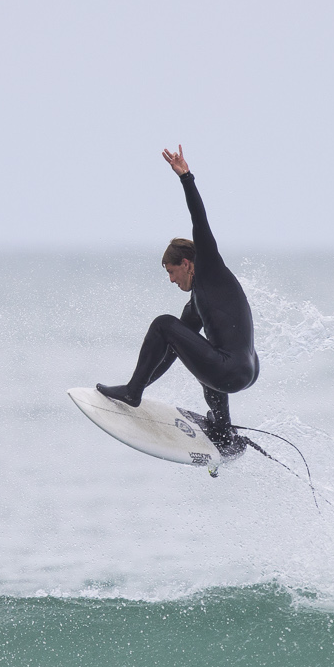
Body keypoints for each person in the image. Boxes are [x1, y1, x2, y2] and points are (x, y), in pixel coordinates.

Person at [97, 146, 259, 452]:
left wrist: (186, 177)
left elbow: (200, 221)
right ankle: (223, 431)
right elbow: (169, 352)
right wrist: (144, 381)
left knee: (162, 323)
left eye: (172, 272)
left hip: (232, 370)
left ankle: (132, 392)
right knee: (196, 347)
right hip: (243, 370)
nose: (172, 280)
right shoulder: (197, 303)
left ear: (187, 263)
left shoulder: (209, 268)